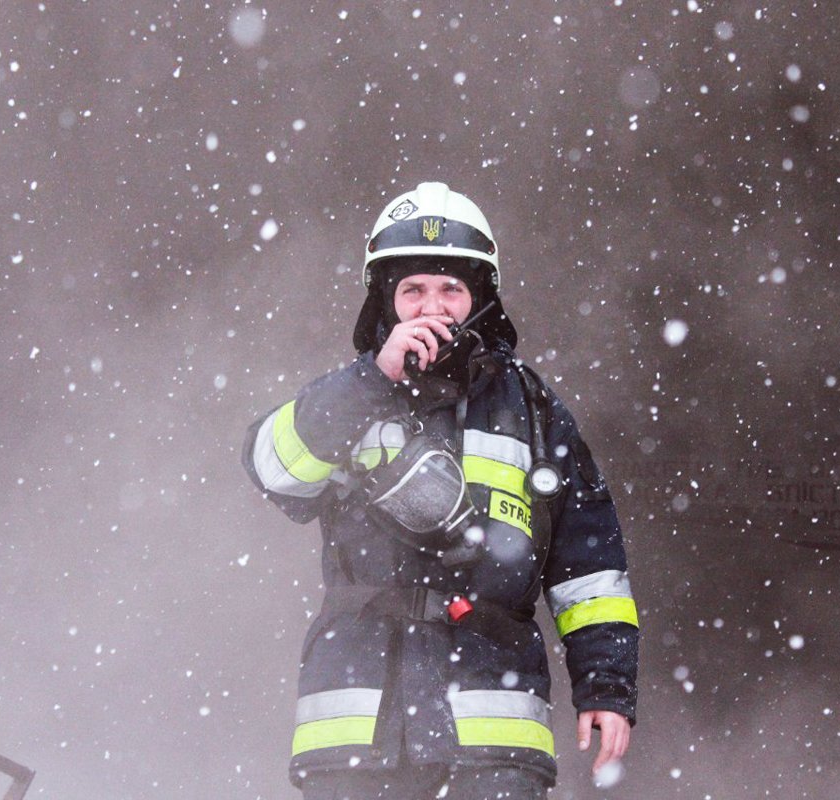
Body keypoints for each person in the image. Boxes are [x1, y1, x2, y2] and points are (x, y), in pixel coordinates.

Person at [243, 182, 639, 799]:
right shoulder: (345, 399)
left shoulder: (534, 412)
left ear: (481, 297)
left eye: (452, 288)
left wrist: (606, 688)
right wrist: (371, 382)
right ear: (386, 302)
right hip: (358, 735)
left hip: (491, 737)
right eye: (413, 290)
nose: (434, 306)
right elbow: (273, 469)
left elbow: (589, 567)